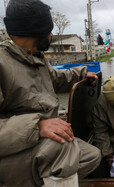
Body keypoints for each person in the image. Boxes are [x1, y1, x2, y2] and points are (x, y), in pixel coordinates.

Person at [0, 0, 101, 186]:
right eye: (48, 30)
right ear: (34, 31)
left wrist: (81, 73)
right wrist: (36, 127)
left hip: (36, 145)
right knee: (62, 149)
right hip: (13, 150)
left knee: (91, 156)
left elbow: (53, 78)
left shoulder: (33, 54)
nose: (51, 34)